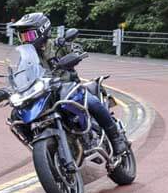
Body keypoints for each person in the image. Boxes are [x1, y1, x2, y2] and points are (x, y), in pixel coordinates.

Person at [11, 12, 128, 155]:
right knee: (17, 115)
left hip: (69, 87)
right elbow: (21, 74)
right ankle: (44, 148)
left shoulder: (57, 45)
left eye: (28, 36)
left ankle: (116, 137)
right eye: (22, 36)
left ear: (42, 31)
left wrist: (75, 54)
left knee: (92, 102)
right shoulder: (26, 58)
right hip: (45, 93)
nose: (25, 40)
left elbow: (75, 48)